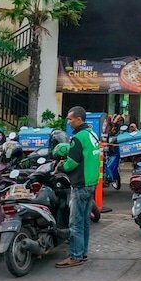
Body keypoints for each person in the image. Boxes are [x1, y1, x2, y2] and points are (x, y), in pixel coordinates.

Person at [55, 106, 101, 268]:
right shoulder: (92, 134)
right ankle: (83, 253)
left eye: (70, 119)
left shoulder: (78, 138)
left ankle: (75, 256)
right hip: (91, 183)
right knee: (84, 221)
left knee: (75, 222)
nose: (68, 121)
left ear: (79, 119)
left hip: (80, 184)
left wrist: (60, 166)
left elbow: (72, 163)